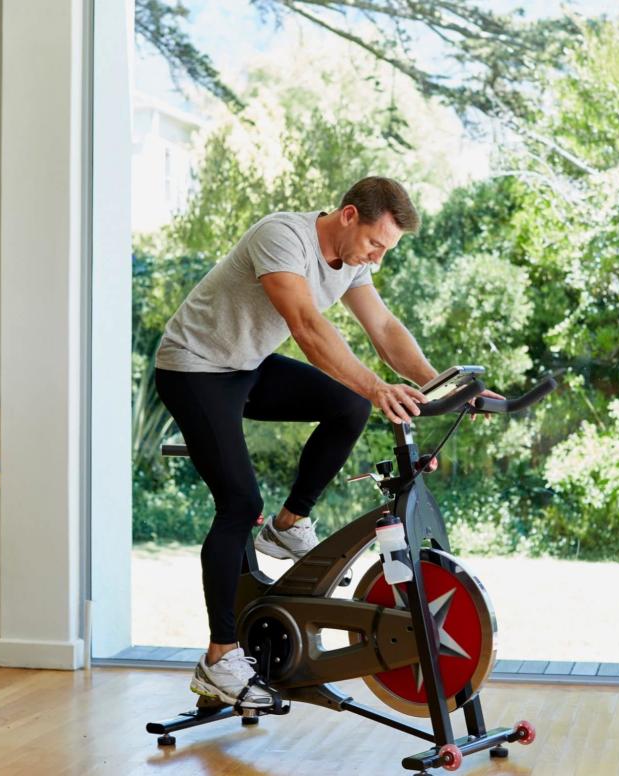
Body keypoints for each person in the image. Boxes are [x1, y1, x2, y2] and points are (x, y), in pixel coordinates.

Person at [154, 176, 496, 709]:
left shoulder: (354, 262)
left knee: (348, 405)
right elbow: (308, 328)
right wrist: (379, 387)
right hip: (194, 368)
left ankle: (289, 526)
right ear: (348, 215)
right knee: (239, 502)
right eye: (375, 244)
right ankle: (219, 660)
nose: (377, 258)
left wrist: (441, 387)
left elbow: (383, 328)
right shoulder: (282, 238)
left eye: (386, 250)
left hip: (245, 366)